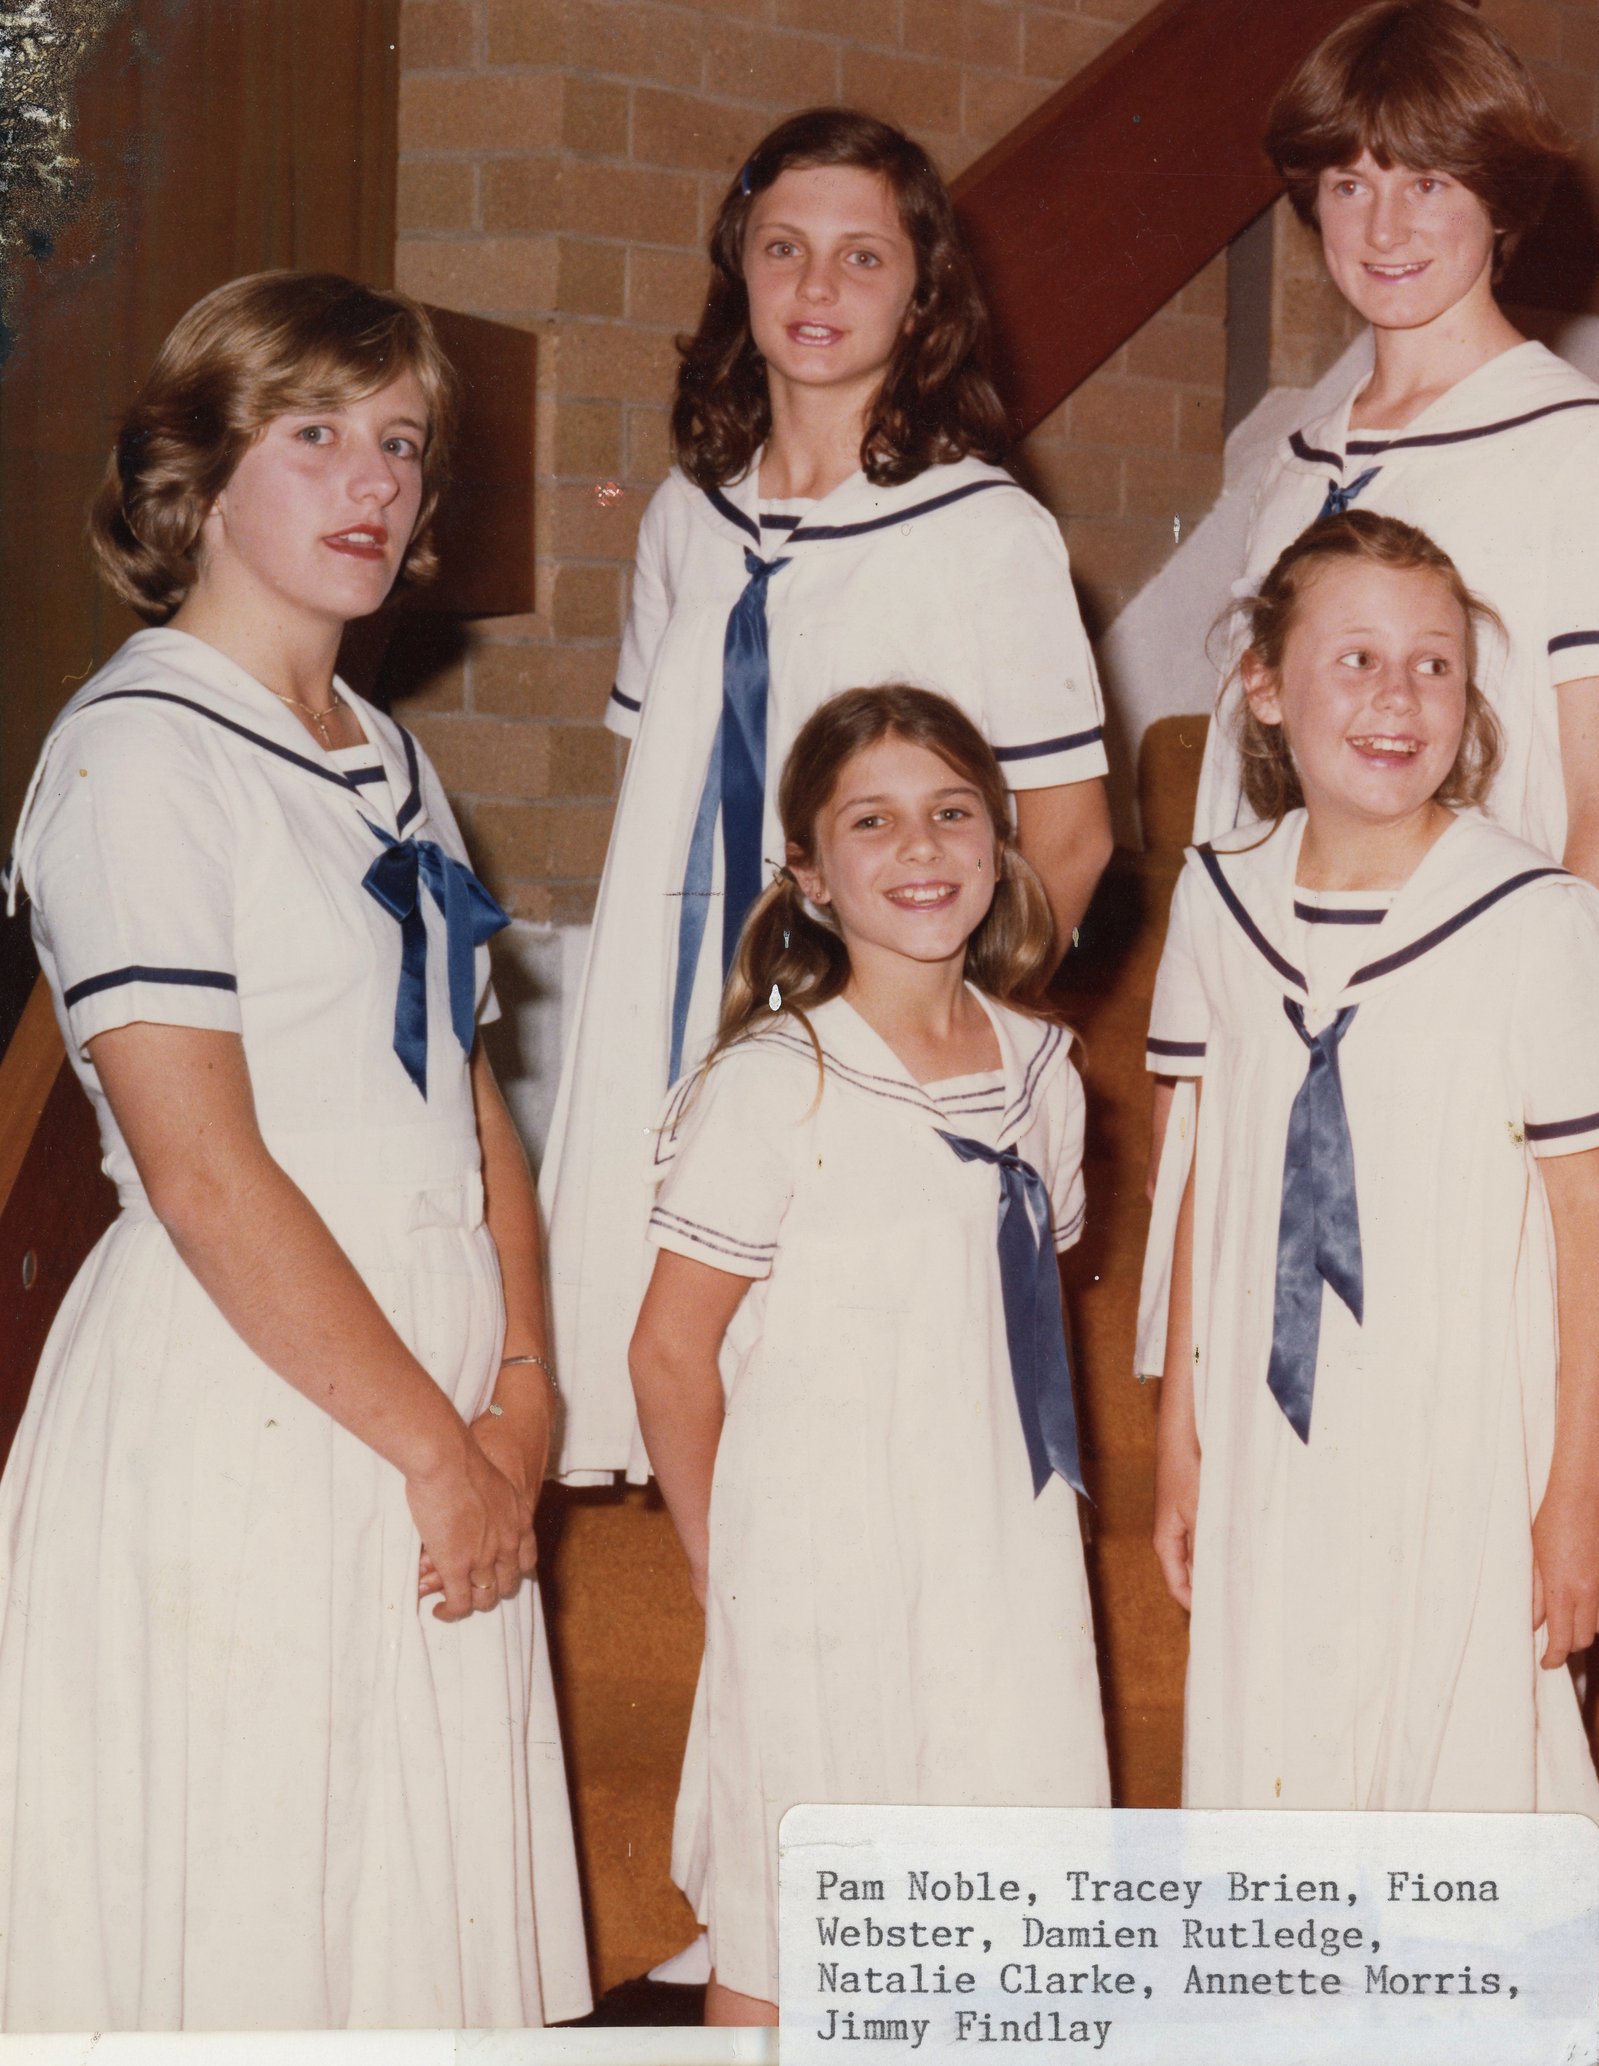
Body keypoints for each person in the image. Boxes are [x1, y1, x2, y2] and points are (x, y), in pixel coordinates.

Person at [0, 271, 590, 2029]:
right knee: (255, 1927)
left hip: (430, 1416)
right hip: (258, 1405)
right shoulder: (136, 755)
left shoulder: (391, 761)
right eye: (315, 434)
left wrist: (531, 1391)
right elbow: (207, 1175)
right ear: (195, 475)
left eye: (400, 443)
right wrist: (444, 1451)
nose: (373, 481)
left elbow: (463, 1097)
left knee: (394, 1939)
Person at [542, 107, 1115, 1480]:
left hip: (868, 1033)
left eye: (863, 258)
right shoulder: (686, 515)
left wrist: (933, 1051)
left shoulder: (986, 530)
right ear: (737, 268)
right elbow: (661, 789)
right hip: (679, 1001)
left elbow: (1075, 838)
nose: (816, 288)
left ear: (925, 292)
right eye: (785, 248)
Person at [1148, 511, 1599, 1900]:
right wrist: (1181, 1423)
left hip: (1461, 1437)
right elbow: (1208, 1176)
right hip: (1272, 1432)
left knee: (1455, 1816)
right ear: (1266, 682)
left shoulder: (1534, 917)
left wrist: (1581, 1487)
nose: (1396, 697)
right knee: (1280, 1789)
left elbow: (1592, 1224)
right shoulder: (1218, 902)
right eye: (1357, 657)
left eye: (1434, 666)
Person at [629, 686, 1107, 2026]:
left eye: (953, 812)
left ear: (1002, 842)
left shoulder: (1043, 1072)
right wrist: (733, 1562)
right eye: (874, 820)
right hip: (821, 1572)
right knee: (795, 1942)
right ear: (810, 874)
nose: (921, 848)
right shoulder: (779, 1081)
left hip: (999, 1565)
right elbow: (668, 1353)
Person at [1192, 0, 1599, 959]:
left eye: (1426, 182)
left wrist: (1567, 1049)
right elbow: (1242, 777)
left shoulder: (1582, 445)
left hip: (1475, 991)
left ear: (1498, 199)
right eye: (1349, 183)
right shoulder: (1294, 463)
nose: (1383, 227)